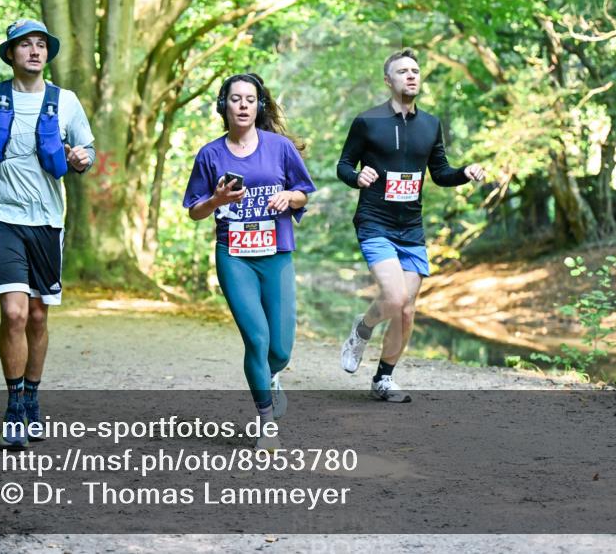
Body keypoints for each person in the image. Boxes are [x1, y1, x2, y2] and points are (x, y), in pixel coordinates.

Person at [0, 18, 95, 449]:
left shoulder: (65, 101)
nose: (34, 51)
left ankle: (33, 397)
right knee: (13, 313)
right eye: (25, 45)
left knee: (37, 315)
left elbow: (86, 150)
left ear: (47, 54)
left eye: (41, 45)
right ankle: (14, 405)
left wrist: (80, 159)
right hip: (0, 216)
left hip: (48, 220)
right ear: (11, 54)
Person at [336, 49, 485, 403]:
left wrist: (464, 173)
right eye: (403, 71)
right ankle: (363, 328)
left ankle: (383, 380)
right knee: (395, 296)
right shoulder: (368, 122)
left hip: (411, 228)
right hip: (375, 221)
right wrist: (358, 177)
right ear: (388, 80)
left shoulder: (431, 124)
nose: (411, 76)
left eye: (415, 70)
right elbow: (343, 164)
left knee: (406, 310)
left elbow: (441, 173)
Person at [183, 73, 315, 451]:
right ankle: (266, 420)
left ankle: (271, 379)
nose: (243, 105)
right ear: (224, 106)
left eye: (250, 99)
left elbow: (304, 193)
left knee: (281, 349)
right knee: (256, 340)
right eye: (236, 99)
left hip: (276, 254)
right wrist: (215, 202)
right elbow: (194, 209)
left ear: (259, 106)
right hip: (235, 255)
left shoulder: (279, 148)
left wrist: (289, 197)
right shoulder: (210, 154)